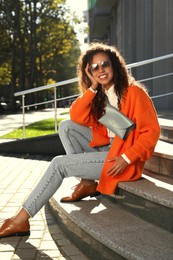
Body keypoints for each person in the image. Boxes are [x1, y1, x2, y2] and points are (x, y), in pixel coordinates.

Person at [0, 42, 160, 238]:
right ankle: (87, 182)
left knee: (58, 165)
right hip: (108, 149)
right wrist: (92, 87)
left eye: (105, 64)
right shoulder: (101, 96)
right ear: (89, 72)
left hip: (121, 159)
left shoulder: (134, 93)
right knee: (66, 126)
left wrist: (126, 158)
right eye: (95, 67)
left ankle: (21, 220)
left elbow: (151, 133)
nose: (101, 70)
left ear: (115, 65)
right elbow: (76, 115)